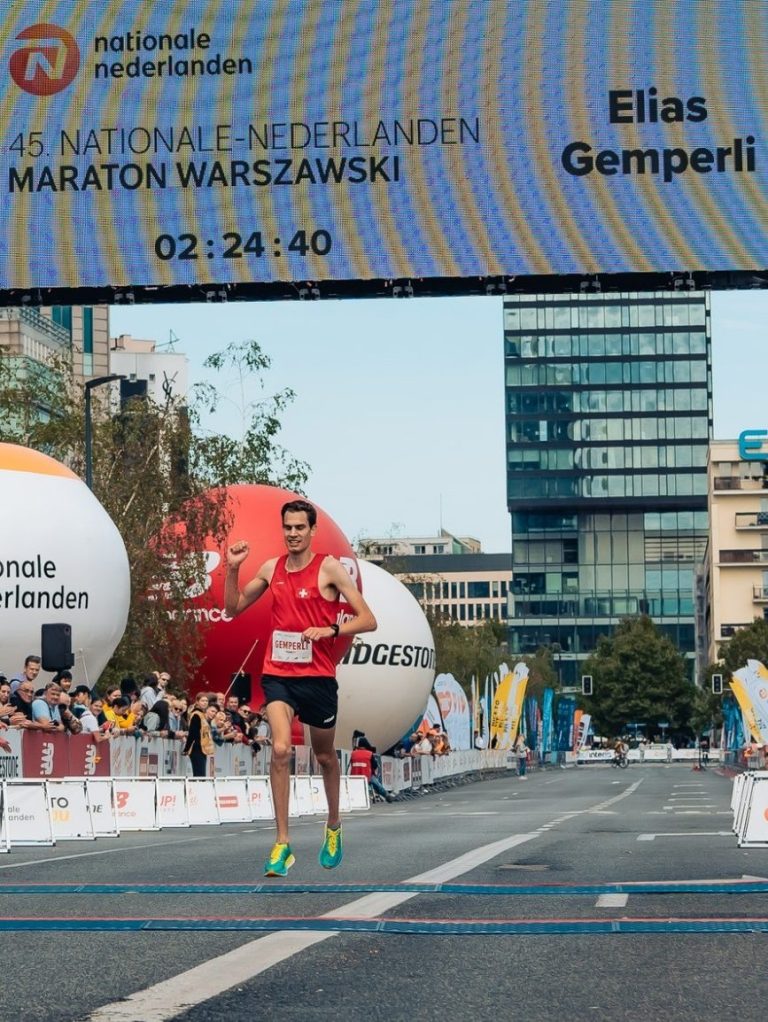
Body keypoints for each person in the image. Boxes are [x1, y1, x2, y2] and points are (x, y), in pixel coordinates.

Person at [225, 497, 377, 877]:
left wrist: (331, 629)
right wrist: (231, 570)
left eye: (299, 528)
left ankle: (334, 825)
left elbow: (368, 619)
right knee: (280, 748)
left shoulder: (329, 569)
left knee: (324, 757)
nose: (292, 534)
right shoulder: (271, 568)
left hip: (318, 678)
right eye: (287, 528)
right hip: (278, 674)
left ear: (311, 531)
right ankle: (281, 844)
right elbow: (233, 608)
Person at [183, 692, 214, 777]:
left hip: (202, 748)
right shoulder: (196, 715)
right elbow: (193, 733)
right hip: (196, 748)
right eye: (202, 701)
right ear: (197, 702)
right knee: (199, 774)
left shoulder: (202, 715)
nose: (205, 703)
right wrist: (187, 748)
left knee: (201, 774)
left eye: (206, 701)